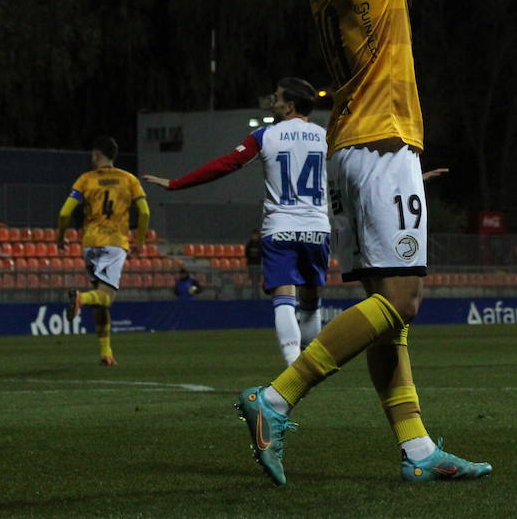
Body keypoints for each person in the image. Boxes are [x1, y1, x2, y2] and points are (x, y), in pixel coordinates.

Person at [235, 0, 489, 485]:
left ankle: (418, 450)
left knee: (386, 313)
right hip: (383, 143)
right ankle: (276, 398)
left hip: (349, 144)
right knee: (404, 300)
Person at [145, 77, 333, 366]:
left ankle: (294, 366)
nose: (274, 100)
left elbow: (225, 164)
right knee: (311, 301)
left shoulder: (265, 136)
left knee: (284, 296)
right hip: (316, 228)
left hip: (280, 228)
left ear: (289, 105)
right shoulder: (325, 136)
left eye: (278, 97)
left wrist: (176, 184)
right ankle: (309, 366)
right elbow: (355, 168)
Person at [59, 136, 150, 367]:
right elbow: (145, 212)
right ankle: (81, 298)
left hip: (90, 243)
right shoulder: (129, 179)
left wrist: (60, 237)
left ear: (97, 155)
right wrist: (139, 240)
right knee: (106, 296)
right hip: (114, 242)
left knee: (102, 302)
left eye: (92, 154)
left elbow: (64, 213)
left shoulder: (85, 180)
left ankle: (106, 353)